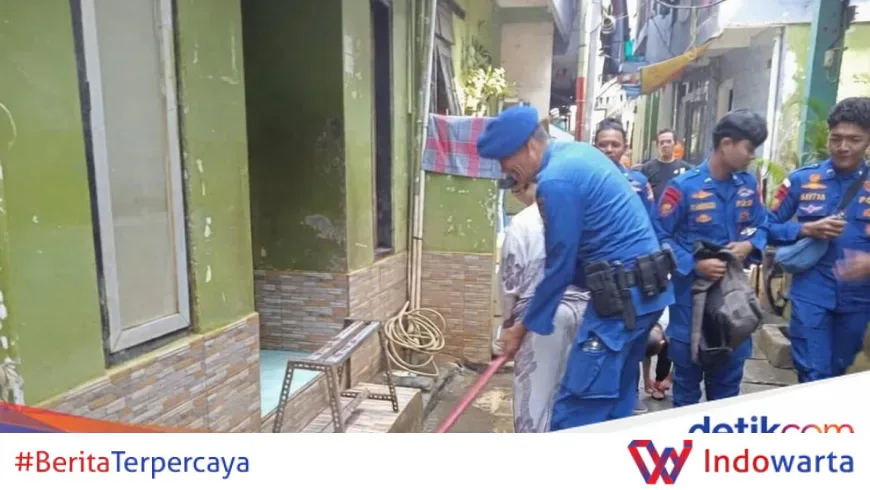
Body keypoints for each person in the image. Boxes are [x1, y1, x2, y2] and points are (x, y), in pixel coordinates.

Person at [477, 105, 675, 430]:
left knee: (577, 410)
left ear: (528, 146)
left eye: (505, 159)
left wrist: (520, 329)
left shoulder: (557, 180)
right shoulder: (578, 153)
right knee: (615, 404)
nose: (504, 169)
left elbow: (560, 265)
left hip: (621, 305)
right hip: (643, 296)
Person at [654, 109, 769, 408]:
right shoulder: (684, 187)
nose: (752, 156)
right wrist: (694, 264)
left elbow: (762, 224)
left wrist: (749, 244)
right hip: (690, 306)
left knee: (726, 396)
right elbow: (659, 236)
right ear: (726, 144)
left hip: (733, 306)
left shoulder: (747, 185)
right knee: (686, 395)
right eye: (749, 148)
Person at [767, 97, 870, 383]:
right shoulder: (802, 180)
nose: (843, 146)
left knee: (839, 372)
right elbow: (766, 226)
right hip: (811, 293)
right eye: (836, 138)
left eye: (854, 139)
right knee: (814, 373)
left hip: (859, 299)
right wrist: (805, 230)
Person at [496, 177, 589, 433]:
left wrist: (510, 324)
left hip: (538, 317)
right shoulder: (581, 213)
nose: (517, 196)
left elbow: (510, 282)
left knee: (534, 400)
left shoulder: (523, 222)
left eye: (517, 190)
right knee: (571, 396)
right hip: (586, 310)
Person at [592, 118, 659, 414]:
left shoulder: (638, 183)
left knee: (632, 340)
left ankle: (628, 397)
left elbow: (651, 227)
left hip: (633, 275)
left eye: (614, 144)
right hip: (597, 276)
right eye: (602, 144)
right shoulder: (586, 179)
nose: (609, 149)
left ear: (625, 147)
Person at [642, 129, 693, 203]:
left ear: (675, 144)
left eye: (668, 141)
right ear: (657, 146)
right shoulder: (647, 168)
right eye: (661, 142)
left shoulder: (686, 168)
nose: (665, 145)